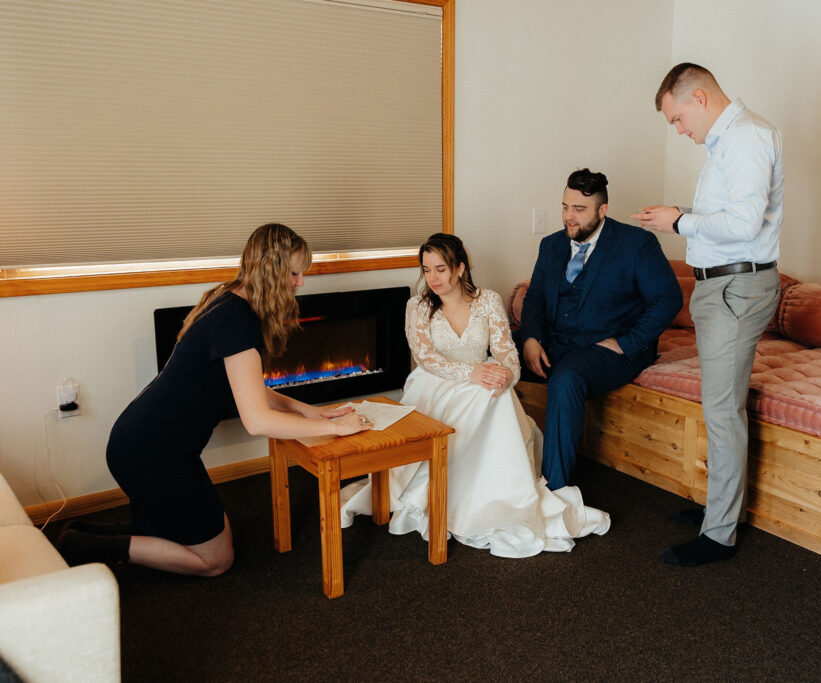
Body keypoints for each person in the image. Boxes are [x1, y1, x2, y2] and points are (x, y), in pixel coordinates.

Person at [57, 223, 372, 576]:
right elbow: (258, 421)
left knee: (207, 535)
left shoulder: (228, 297)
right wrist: (339, 427)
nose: (301, 282)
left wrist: (308, 410)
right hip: (151, 454)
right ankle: (86, 547)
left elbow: (249, 389)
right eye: (295, 273)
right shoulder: (237, 324)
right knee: (217, 561)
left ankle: (83, 533)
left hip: (149, 442)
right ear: (271, 271)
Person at [339, 233, 610, 557]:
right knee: (481, 392)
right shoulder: (417, 306)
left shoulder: (487, 301)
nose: (432, 278)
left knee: (496, 396)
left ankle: (500, 496)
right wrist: (472, 372)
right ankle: (451, 492)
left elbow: (507, 352)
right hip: (433, 383)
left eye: (440, 269)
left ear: (460, 268)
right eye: (426, 270)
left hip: (481, 378)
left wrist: (505, 375)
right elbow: (426, 358)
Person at [633, 63, 784, 566]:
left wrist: (679, 220)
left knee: (722, 411)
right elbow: (730, 217)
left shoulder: (746, 137)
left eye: (677, 119)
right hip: (723, 287)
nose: (678, 131)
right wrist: (679, 217)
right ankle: (724, 509)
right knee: (721, 404)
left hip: (736, 288)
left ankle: (718, 534)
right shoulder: (730, 140)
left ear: (698, 98)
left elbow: (743, 223)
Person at [517, 169, 682, 491]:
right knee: (488, 351)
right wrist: (531, 338)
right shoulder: (551, 245)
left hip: (610, 349)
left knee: (566, 379)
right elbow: (535, 296)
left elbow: (668, 298)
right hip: (555, 340)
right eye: (565, 207)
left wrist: (628, 342)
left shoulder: (637, 244)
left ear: (602, 210)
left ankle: (555, 489)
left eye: (579, 210)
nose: (569, 217)